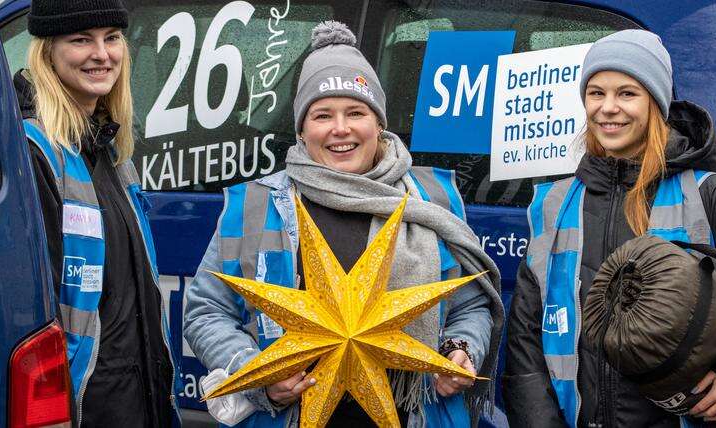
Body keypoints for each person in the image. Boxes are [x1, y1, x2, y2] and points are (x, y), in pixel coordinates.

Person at [183, 21, 503, 428]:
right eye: (322, 115)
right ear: (301, 129)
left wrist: (462, 349)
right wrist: (259, 375)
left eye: (356, 112)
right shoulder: (255, 203)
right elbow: (205, 310)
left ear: (378, 122)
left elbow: (472, 305)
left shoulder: (433, 199)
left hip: (417, 416)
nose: (341, 129)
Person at [502, 29, 716, 428]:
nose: (608, 108)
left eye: (627, 94)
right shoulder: (555, 203)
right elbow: (526, 343)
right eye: (596, 93)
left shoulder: (707, 194)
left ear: (655, 103)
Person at [14, 1, 179, 426]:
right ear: (47, 51)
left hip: (139, 400)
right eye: (81, 39)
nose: (102, 54)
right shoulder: (33, 153)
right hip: (89, 406)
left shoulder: (109, 149)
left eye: (112, 38)